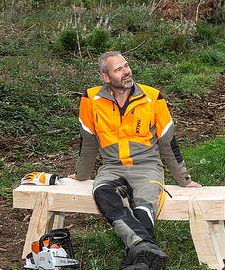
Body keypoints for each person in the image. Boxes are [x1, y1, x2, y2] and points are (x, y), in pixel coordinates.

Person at [69, 51, 201, 270]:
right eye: (118, 69)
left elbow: (168, 142)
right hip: (112, 167)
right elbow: (88, 142)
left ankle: (139, 256)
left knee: (143, 206)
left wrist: (183, 179)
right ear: (105, 77)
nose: (126, 71)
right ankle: (144, 252)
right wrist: (81, 175)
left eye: (126, 66)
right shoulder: (91, 99)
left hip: (147, 167)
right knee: (102, 192)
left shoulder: (152, 97)